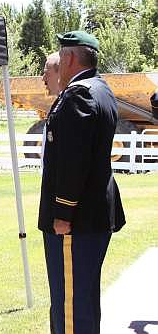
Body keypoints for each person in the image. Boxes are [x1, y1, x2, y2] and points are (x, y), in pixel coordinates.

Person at [39, 31, 126, 334]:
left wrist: (63, 213)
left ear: (69, 58)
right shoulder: (102, 89)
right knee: (84, 301)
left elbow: (74, 162)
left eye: (60, 58)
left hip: (74, 221)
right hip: (92, 217)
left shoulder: (79, 94)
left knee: (71, 307)